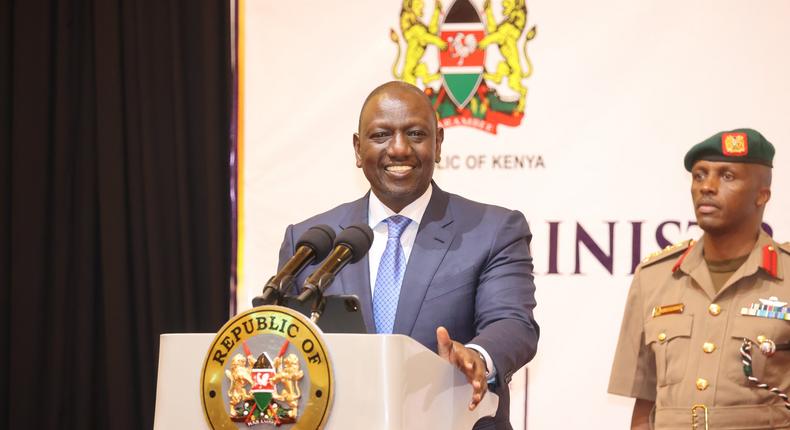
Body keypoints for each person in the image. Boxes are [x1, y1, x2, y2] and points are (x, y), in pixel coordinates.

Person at [277, 81, 538, 429]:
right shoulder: (313, 241)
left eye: (415, 134)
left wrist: (477, 356)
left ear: (438, 143)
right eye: (381, 135)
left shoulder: (493, 230)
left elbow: (512, 323)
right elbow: (283, 339)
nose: (399, 149)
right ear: (358, 149)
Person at [608, 128, 790, 429]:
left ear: (762, 195)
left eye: (727, 176)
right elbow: (644, 406)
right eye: (699, 175)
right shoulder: (654, 278)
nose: (707, 186)